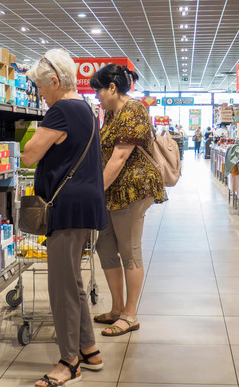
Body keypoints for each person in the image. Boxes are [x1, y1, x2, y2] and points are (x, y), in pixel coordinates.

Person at [21, 49, 108, 387]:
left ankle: (69, 361)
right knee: (72, 281)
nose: (40, 95)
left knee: (61, 287)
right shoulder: (84, 108)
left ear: (55, 82)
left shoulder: (61, 110)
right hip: (84, 204)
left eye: (42, 88)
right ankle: (88, 348)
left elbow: (29, 156)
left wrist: (32, 135)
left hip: (66, 207)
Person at [90, 63, 167, 338]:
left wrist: (94, 191)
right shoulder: (111, 113)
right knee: (106, 246)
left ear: (112, 88)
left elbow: (120, 157)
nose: (96, 96)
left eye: (98, 90)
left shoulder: (133, 109)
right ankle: (117, 308)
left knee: (129, 249)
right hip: (112, 190)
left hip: (132, 190)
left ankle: (130, 315)